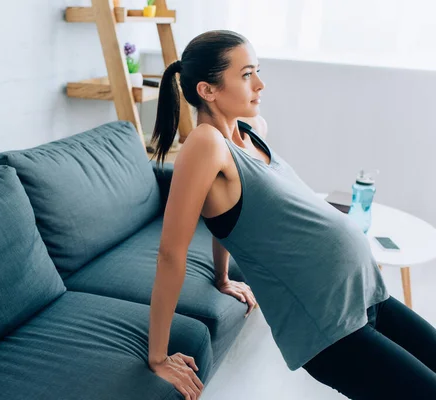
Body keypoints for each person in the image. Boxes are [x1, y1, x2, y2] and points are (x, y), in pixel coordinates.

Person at [147, 30, 436, 400]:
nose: (260, 84)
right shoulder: (204, 145)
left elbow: (228, 216)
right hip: (331, 330)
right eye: (247, 74)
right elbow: (171, 253)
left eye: (257, 71)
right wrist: (158, 356)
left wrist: (222, 277)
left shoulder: (251, 133)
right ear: (208, 90)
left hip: (365, 294)